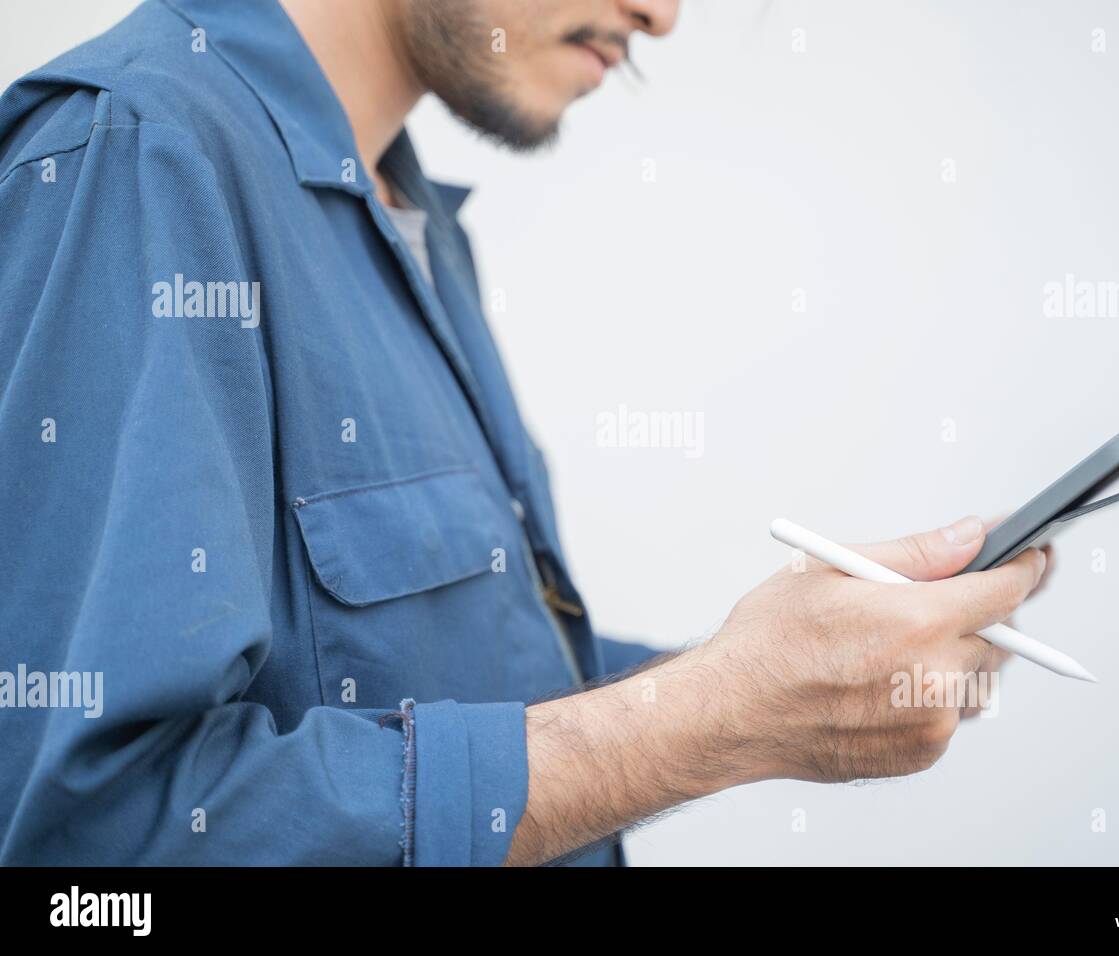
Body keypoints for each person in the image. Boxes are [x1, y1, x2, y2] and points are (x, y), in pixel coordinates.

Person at [0, 0, 1047, 867]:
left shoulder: (414, 221)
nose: (664, 16)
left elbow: (463, 683)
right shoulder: (135, 156)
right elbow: (94, 843)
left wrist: (799, 670)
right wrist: (718, 714)